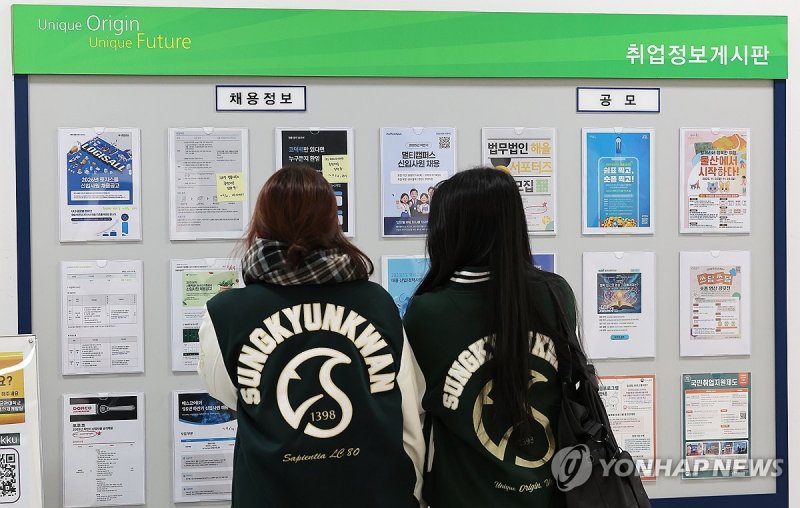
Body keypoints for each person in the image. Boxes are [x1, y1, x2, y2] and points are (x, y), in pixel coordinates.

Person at [197, 165, 423, 508]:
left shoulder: (225, 313)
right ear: (332, 221)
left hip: (270, 493)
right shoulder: (377, 303)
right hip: (373, 492)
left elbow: (231, 393)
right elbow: (407, 410)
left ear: (261, 222)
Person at [404, 167, 583, 508]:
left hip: (461, 496)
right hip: (551, 494)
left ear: (449, 231)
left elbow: (415, 417)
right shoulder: (555, 293)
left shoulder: (429, 312)